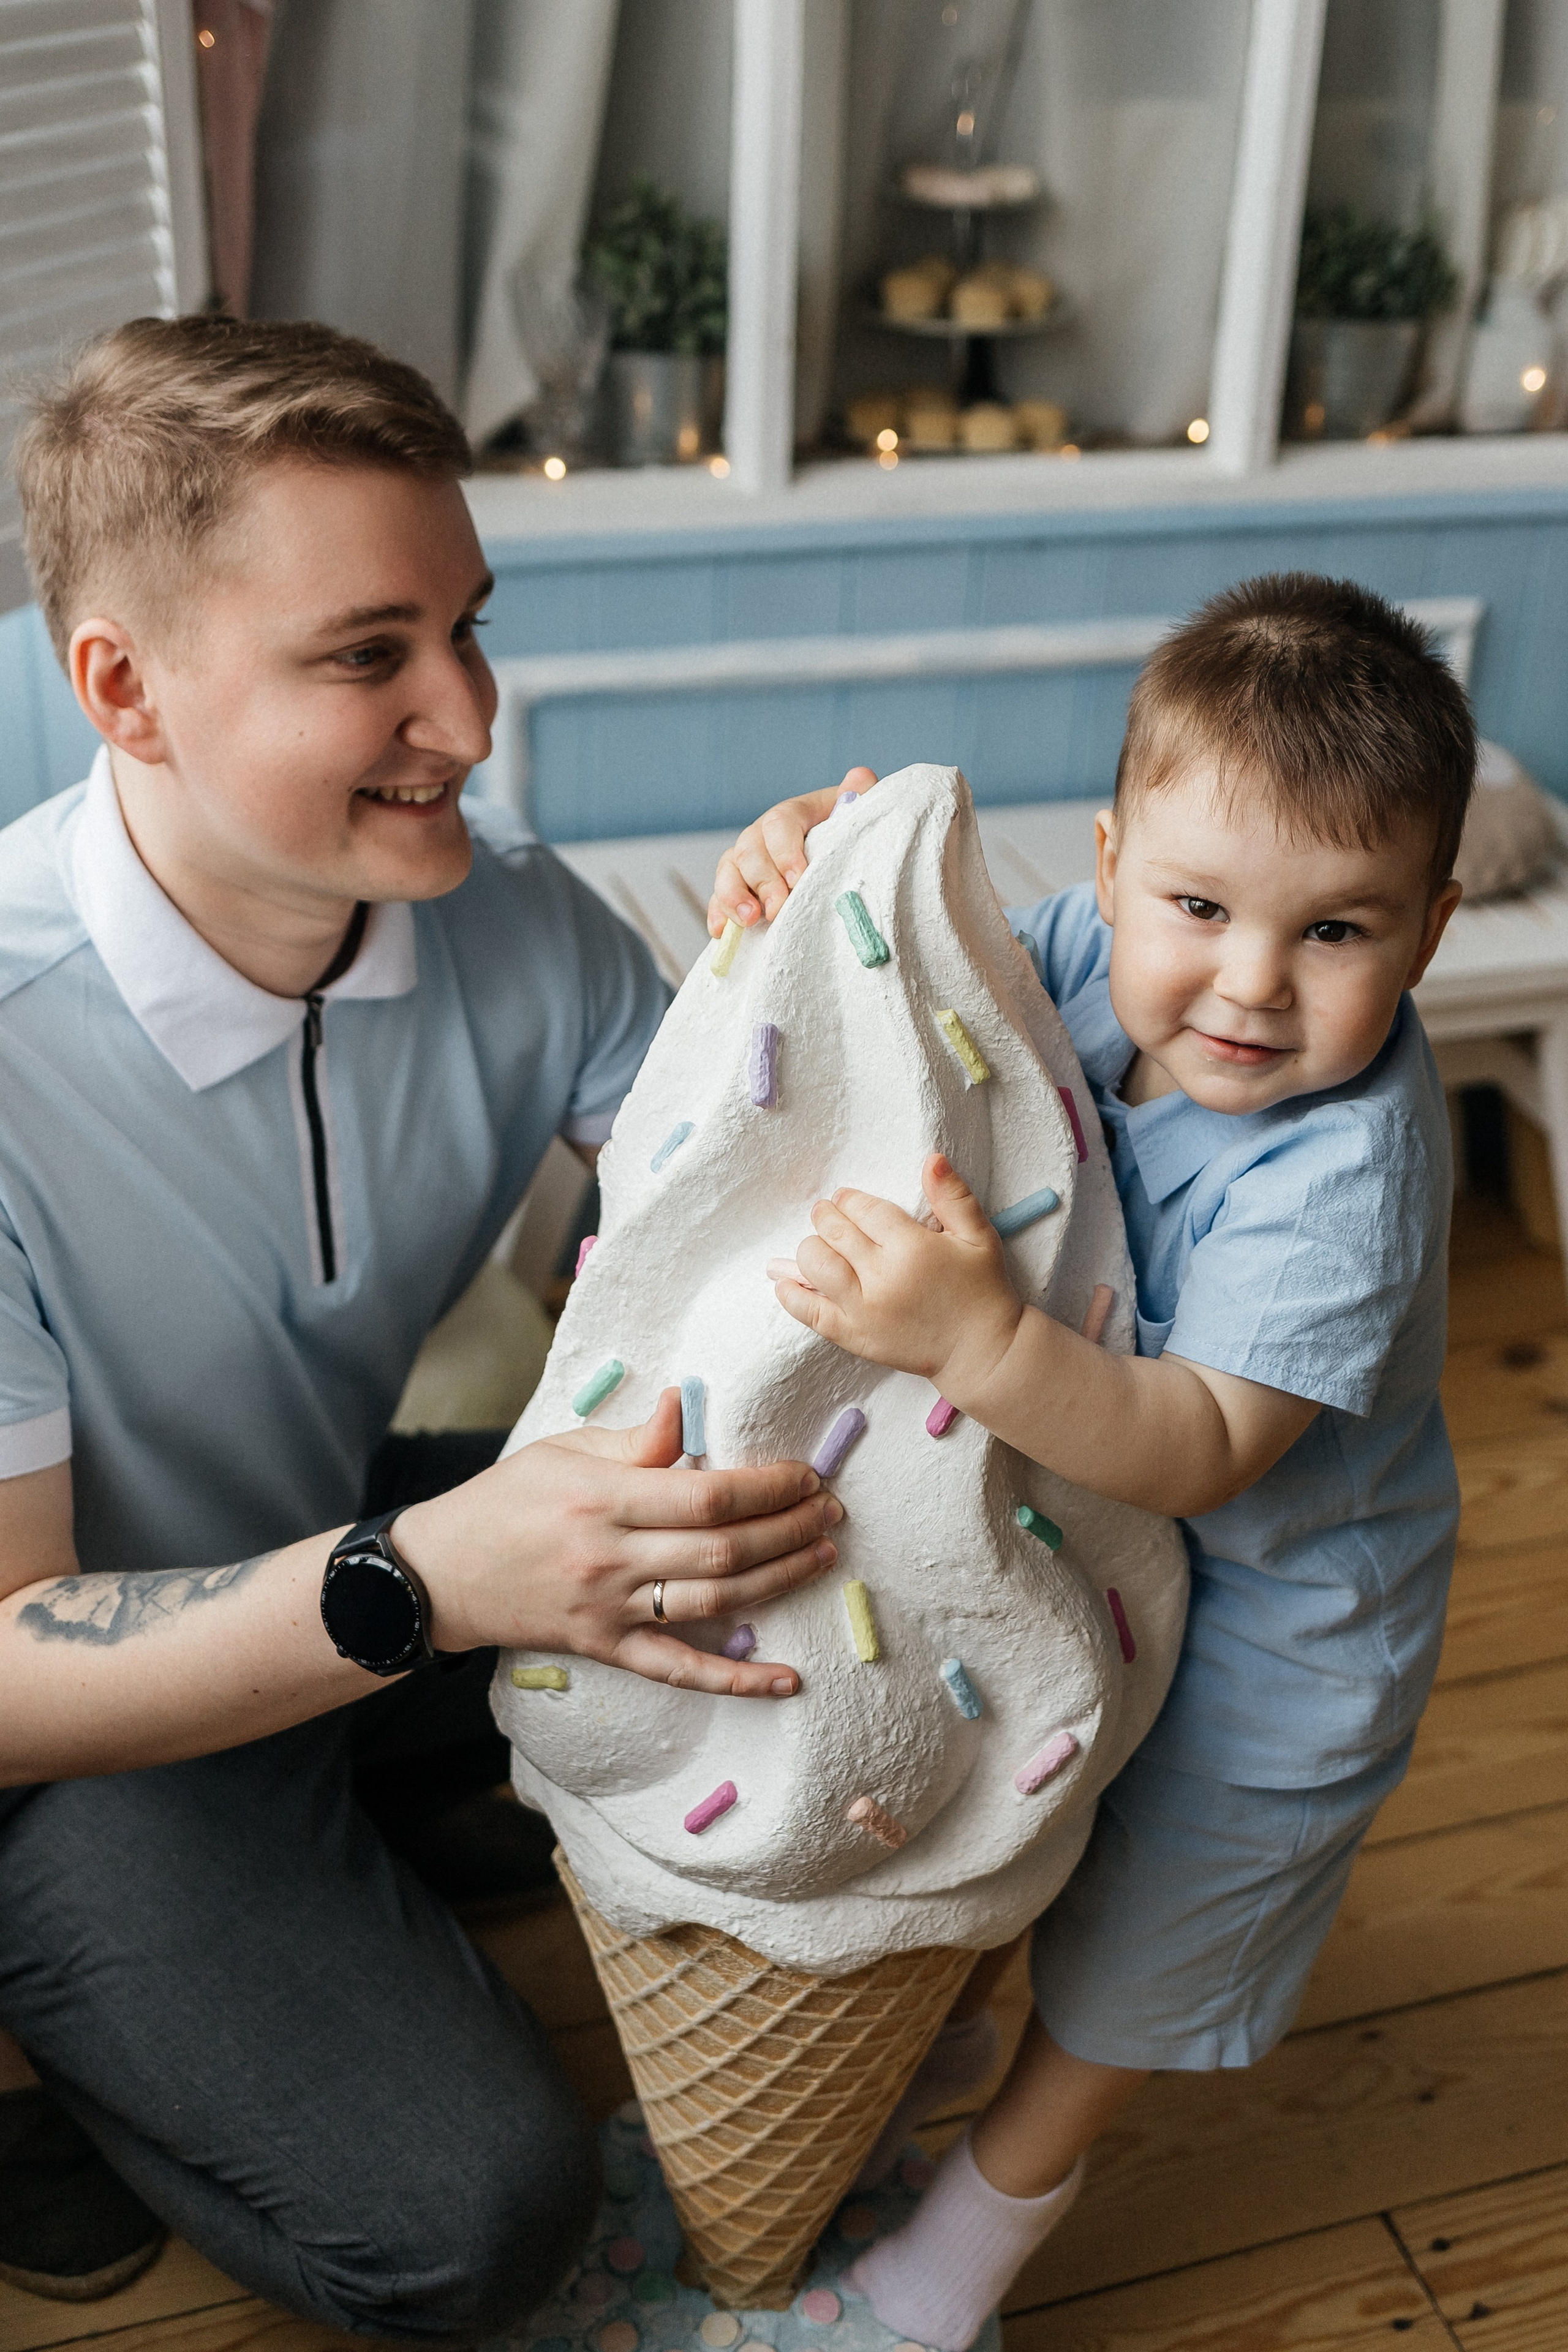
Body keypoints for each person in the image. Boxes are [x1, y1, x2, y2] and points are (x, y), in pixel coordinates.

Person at [0, 315, 848, 2342]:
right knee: (479, 2218)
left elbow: (767, 1243)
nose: (467, 717)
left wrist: (817, 957)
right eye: (368, 655)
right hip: (61, 1724)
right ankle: (66, 2043)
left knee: (784, 1544)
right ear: (124, 687)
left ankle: (369, 1802)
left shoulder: (528, 929)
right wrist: (417, 1591)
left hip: (339, 1554)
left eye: (468, 626)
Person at [708, 575, 1471, 2351]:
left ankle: (959, 2265)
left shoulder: (1346, 1170)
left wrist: (976, 1343)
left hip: (1283, 1641)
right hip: (1083, 1568)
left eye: (1339, 933)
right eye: (1198, 905)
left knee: (1134, 1962)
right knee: (1018, 1827)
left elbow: (1204, 1444)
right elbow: (906, 957)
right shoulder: (1074, 950)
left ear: (1430, 935)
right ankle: (941, 2046)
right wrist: (800, 866)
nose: (1252, 985)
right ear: (1114, 859)